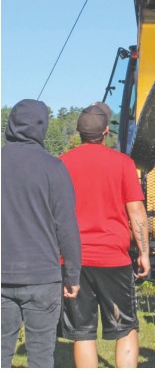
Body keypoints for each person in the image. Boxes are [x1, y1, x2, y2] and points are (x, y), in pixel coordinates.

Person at [59, 102, 150, 368]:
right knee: (125, 328)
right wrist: (144, 253)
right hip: (114, 259)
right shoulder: (122, 163)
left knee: (83, 333)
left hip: (74, 261)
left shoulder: (61, 163)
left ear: (78, 131)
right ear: (106, 133)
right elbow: (136, 211)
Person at [1, 99, 81, 368]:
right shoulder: (53, 168)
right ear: (42, 127)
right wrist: (72, 275)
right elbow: (66, 227)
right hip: (43, 278)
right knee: (41, 357)